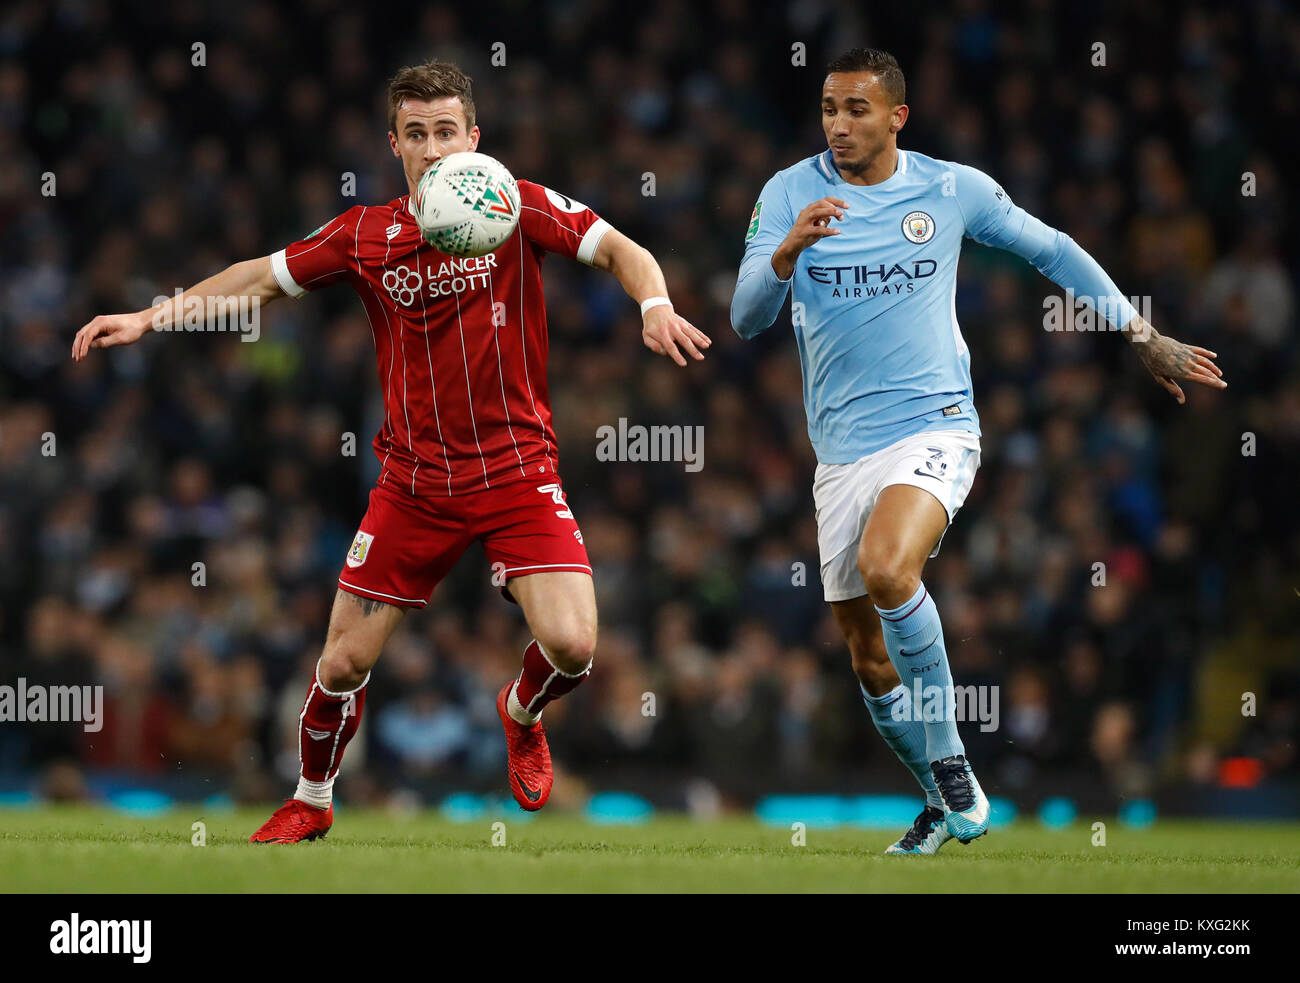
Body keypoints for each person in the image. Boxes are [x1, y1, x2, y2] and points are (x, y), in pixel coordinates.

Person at [72, 59, 712, 843]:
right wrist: (151, 315)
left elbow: (623, 249)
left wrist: (654, 305)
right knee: (341, 663)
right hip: (414, 483)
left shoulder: (517, 204)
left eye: (447, 131)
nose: (434, 147)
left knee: (575, 646)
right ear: (395, 144)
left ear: (474, 138)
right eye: (417, 134)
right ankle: (312, 796)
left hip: (517, 470)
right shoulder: (364, 235)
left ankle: (519, 710)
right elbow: (262, 279)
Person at [730, 47, 1224, 854]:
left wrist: (1140, 331)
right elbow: (747, 317)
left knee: (892, 567)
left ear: (897, 117)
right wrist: (785, 253)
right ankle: (937, 802)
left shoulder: (951, 188)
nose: (839, 125)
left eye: (857, 109)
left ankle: (953, 761)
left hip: (935, 426)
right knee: (866, 659)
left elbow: (1052, 248)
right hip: (841, 455)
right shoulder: (788, 191)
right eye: (828, 108)